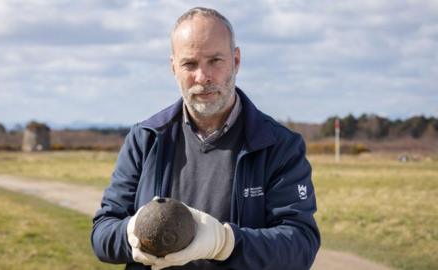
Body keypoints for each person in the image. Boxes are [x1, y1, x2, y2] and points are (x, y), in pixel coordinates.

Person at [91, 7, 320, 270]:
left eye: (215, 61)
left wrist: (225, 243)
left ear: (236, 61)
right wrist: (131, 233)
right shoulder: (146, 139)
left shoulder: (279, 146)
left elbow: (300, 245)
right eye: (189, 64)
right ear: (173, 67)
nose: (203, 77)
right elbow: (102, 234)